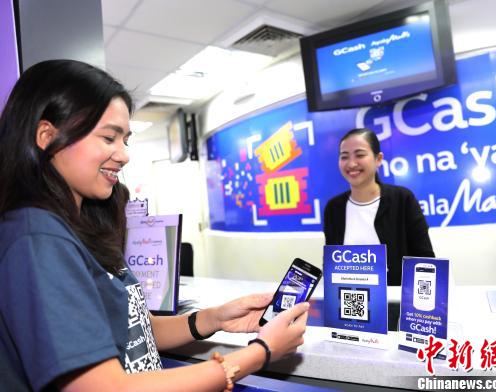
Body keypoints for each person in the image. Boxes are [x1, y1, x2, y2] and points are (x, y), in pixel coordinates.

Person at [0, 60, 309, 391]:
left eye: (125, 140)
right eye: (109, 137)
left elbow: (130, 329)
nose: (123, 155)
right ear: (47, 136)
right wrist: (260, 353)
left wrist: (213, 319)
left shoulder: (78, 225)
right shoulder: (39, 239)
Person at [324, 128, 435, 286]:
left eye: (360, 155)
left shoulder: (403, 199)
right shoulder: (333, 208)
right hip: (348, 301)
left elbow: (425, 260)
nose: (351, 163)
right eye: (344, 157)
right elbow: (331, 264)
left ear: (378, 159)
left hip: (396, 301)